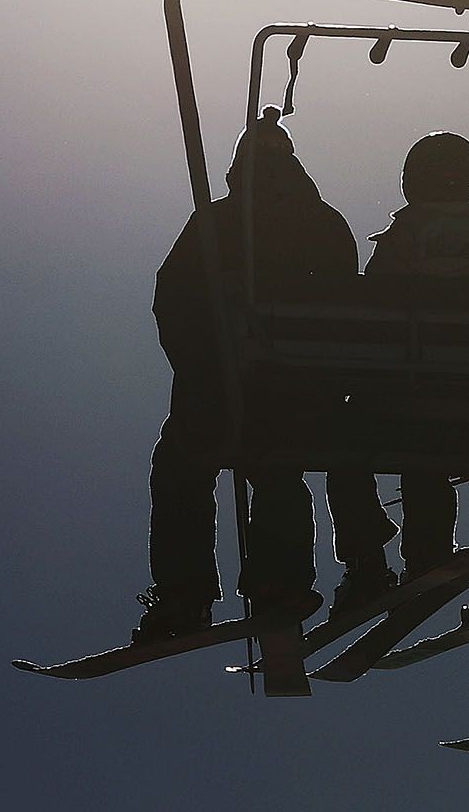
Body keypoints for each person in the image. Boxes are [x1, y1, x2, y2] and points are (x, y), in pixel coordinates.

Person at [135, 110, 355, 643]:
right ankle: (280, 583)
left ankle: (184, 594)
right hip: (302, 396)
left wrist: (199, 368)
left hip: (220, 393)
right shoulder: (325, 224)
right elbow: (350, 309)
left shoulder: (217, 223)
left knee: (181, 464)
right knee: (278, 471)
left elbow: (173, 300)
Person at [337, 131, 469, 623]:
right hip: (467, 402)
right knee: (458, 440)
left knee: (352, 438)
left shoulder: (401, 240)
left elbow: (371, 316)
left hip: (399, 402)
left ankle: (383, 561)